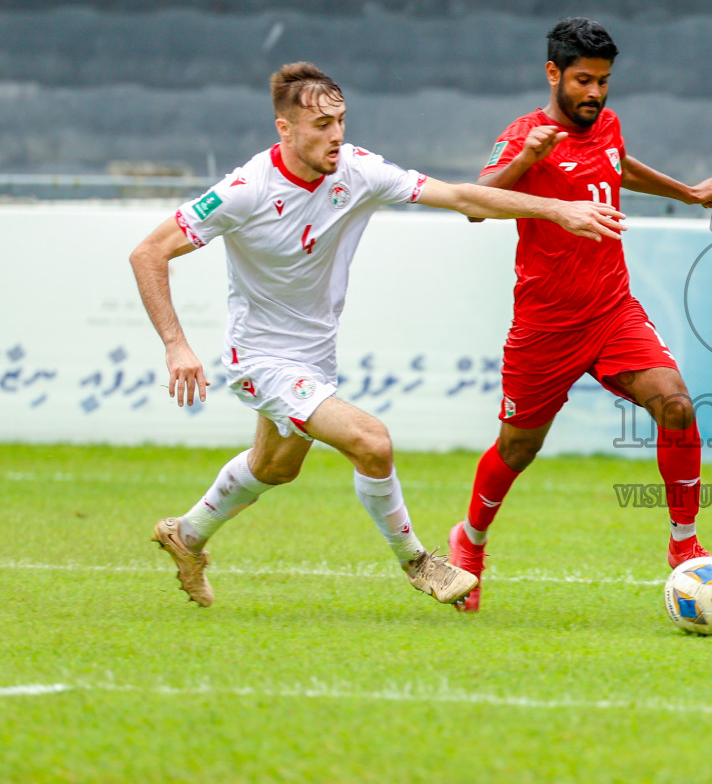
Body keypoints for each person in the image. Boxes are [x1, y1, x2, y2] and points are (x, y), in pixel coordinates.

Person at [130, 61, 626, 608]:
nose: (336, 135)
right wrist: (176, 344)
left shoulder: (357, 170)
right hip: (260, 359)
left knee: (275, 466)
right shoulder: (245, 190)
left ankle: (188, 534)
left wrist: (555, 208)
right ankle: (419, 562)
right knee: (372, 442)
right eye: (321, 125)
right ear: (284, 128)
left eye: (340, 120)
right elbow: (148, 252)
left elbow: (464, 197)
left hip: (314, 356)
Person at [446, 17, 712, 613]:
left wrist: (687, 193)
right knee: (518, 448)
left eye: (603, 81)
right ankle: (469, 540)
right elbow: (477, 204)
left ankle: (684, 544)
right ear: (553, 74)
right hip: (545, 327)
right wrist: (527, 161)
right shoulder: (525, 135)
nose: (595, 94)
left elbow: (619, 165)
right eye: (583, 80)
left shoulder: (606, 123)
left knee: (675, 402)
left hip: (611, 311)